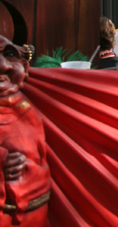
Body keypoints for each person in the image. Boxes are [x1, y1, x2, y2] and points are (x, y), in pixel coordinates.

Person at [0, 35, 51, 227]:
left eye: (10, 55)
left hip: (36, 211)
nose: (3, 66)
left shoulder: (28, 107)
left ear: (25, 68)